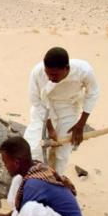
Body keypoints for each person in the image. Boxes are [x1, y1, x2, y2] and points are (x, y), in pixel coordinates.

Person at [23, 47, 100, 175]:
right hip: (44, 108)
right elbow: (36, 100)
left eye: (55, 75)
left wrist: (81, 124)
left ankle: (57, 182)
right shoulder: (37, 72)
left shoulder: (84, 71)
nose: (50, 78)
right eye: (48, 74)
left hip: (68, 107)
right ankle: (33, 181)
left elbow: (93, 94)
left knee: (62, 154)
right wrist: (50, 127)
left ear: (66, 68)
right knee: (33, 148)